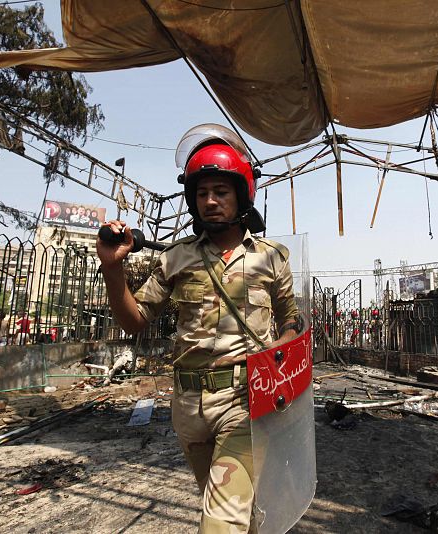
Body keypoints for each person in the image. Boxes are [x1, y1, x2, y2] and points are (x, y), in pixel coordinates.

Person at [97, 124, 300, 533]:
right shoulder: (175, 258)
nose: (210, 201)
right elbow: (135, 320)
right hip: (187, 405)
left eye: (221, 192)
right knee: (233, 507)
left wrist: (279, 354)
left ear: (241, 195)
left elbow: (291, 320)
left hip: (244, 401)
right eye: (202, 193)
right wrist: (112, 268)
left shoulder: (271, 257)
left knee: (220, 521)